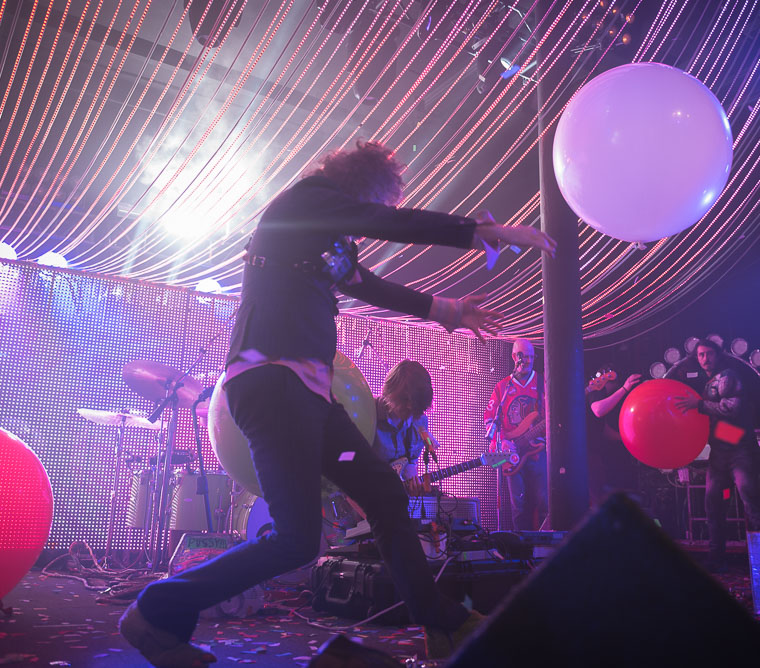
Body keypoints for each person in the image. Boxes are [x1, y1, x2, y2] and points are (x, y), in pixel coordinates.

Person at [118, 141, 555, 667]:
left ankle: (441, 622)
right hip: (272, 382)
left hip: (308, 396)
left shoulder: (327, 242)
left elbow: (364, 282)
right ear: (362, 187)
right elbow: (382, 222)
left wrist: (444, 309)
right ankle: (155, 608)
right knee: (297, 541)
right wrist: (475, 231)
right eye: (380, 201)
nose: (377, 214)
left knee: (385, 494)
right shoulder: (304, 200)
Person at [674, 338, 760, 572]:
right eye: (701, 355)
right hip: (720, 455)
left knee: (749, 499)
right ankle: (717, 558)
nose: (705, 359)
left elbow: (731, 409)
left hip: (740, 451)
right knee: (715, 504)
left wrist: (699, 405)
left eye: (709, 354)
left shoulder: (727, 376)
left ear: (718, 354)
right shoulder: (710, 382)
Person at [483, 338, 547, 531]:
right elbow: (490, 418)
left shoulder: (543, 382)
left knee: (543, 501)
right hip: (511, 453)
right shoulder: (503, 387)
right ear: (514, 357)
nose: (527, 361)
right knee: (517, 506)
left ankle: (544, 550)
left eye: (530, 357)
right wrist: (501, 441)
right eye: (523, 357)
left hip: (538, 451)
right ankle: (521, 553)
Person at [372, 359, 438, 497]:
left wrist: (410, 484)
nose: (409, 407)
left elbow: (409, 463)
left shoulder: (420, 422)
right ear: (390, 390)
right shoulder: (368, 410)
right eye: (404, 399)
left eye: (415, 404)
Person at [585, 364, 643, 503]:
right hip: (585, 453)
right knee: (594, 496)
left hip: (592, 452)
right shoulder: (597, 390)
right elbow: (598, 410)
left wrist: (625, 438)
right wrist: (624, 388)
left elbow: (600, 428)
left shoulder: (599, 393)